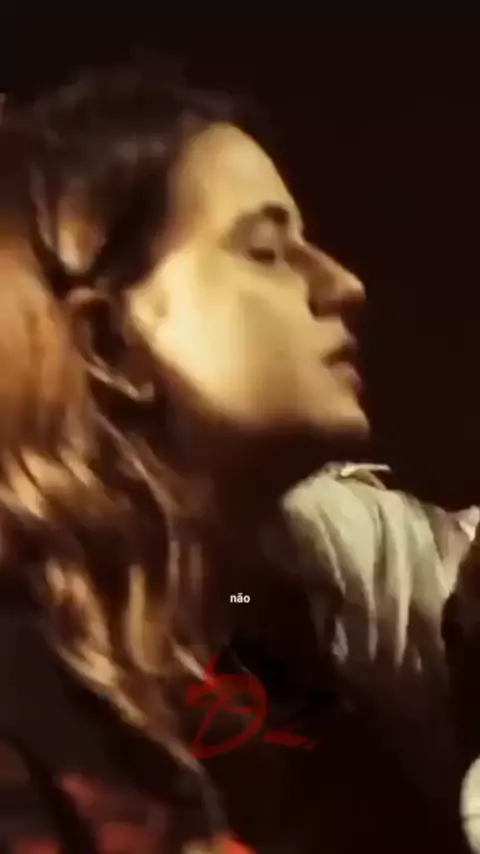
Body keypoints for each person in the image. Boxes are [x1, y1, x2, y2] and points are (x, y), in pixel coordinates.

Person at [0, 60, 370, 853]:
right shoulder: (24, 724)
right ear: (108, 344)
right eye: (266, 252)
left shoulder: (274, 674)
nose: (344, 284)